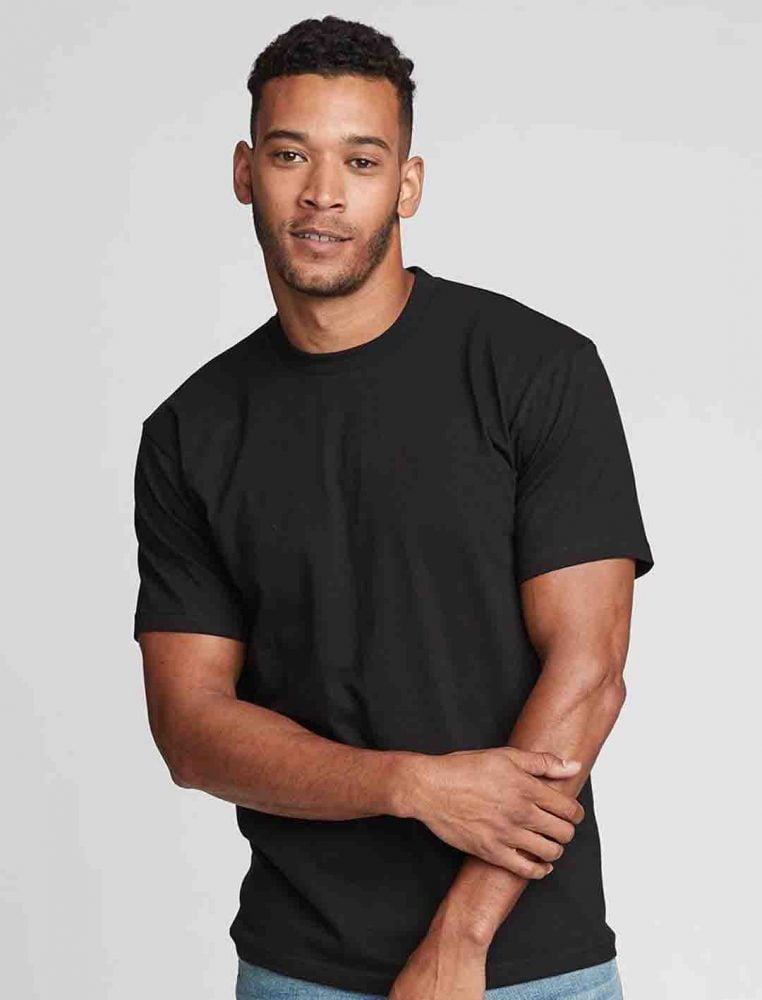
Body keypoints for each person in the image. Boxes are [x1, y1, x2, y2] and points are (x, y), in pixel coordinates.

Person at [132, 15, 654, 1000]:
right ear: (245, 171)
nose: (323, 193)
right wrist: (412, 785)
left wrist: (461, 937)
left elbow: (590, 674)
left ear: (407, 184)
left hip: (524, 968)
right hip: (296, 968)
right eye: (291, 154)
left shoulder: (536, 370)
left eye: (362, 161)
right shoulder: (191, 432)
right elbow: (190, 728)